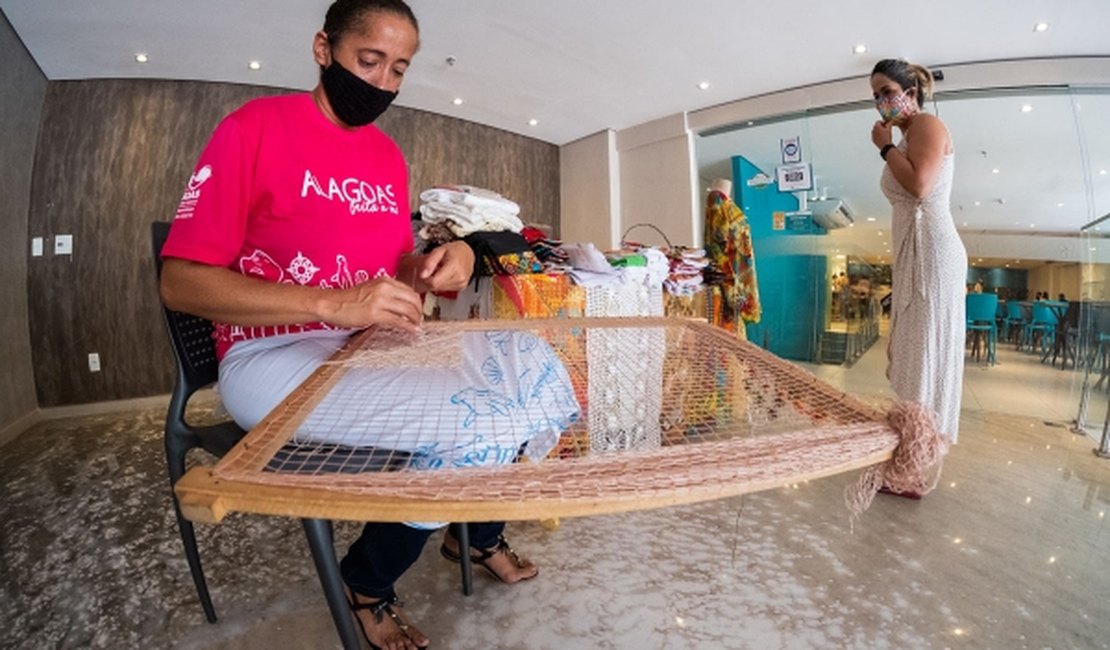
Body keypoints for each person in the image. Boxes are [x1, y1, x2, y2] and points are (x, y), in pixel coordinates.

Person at [159, 2, 566, 648]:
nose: (381, 83)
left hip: (364, 346)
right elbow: (179, 281)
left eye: (398, 69)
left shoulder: (385, 157)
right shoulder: (253, 129)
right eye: (367, 60)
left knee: (535, 366)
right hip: (274, 354)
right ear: (324, 49)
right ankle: (367, 582)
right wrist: (328, 303)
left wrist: (443, 261)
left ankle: (473, 532)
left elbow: (385, 272)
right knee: (473, 425)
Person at [870, 58, 967, 495]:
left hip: (934, 252)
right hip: (916, 253)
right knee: (913, 355)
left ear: (912, 90)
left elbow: (921, 186)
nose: (881, 102)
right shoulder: (909, 135)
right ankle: (912, 455)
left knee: (924, 356)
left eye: (888, 91)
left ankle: (916, 464)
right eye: (875, 96)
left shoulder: (927, 124)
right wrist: (892, 146)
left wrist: (885, 148)